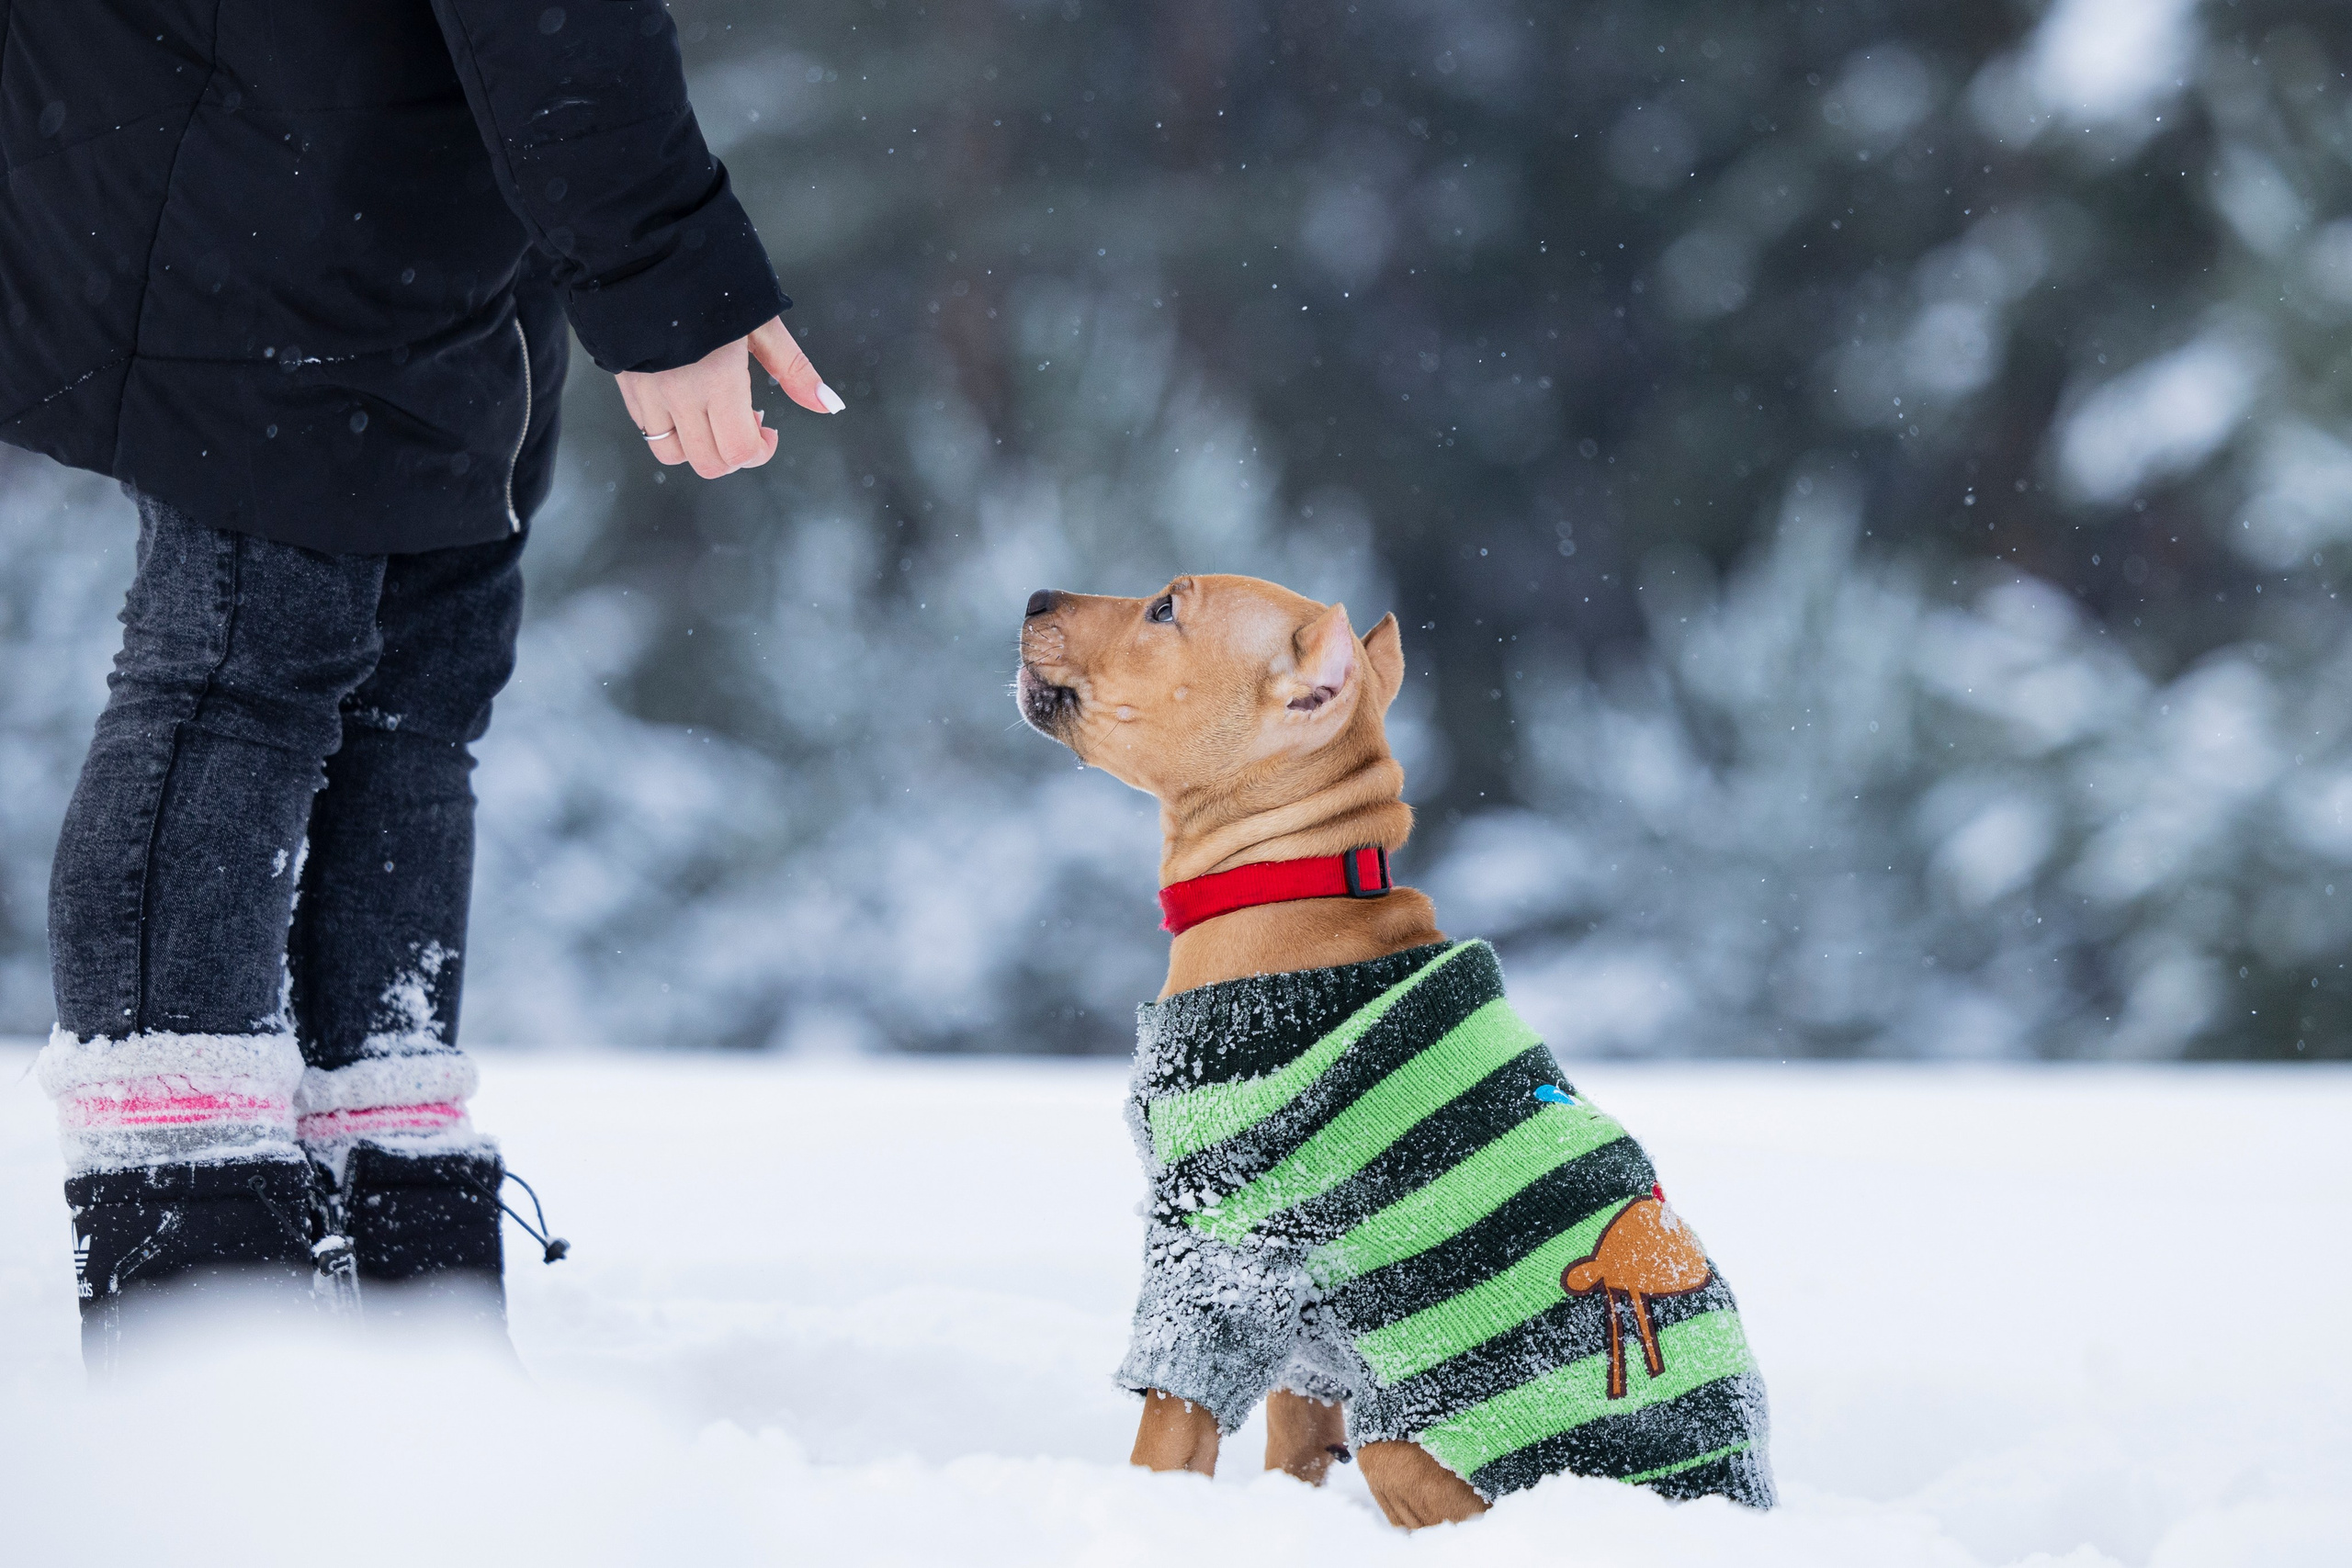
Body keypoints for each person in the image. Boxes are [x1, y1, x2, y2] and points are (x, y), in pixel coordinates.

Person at [0, 1, 835, 1364]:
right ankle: (204, 1305)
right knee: (248, 660)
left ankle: (389, 1248)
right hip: (260, 125)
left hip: (401, 157)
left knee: (412, 691)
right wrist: (666, 265)